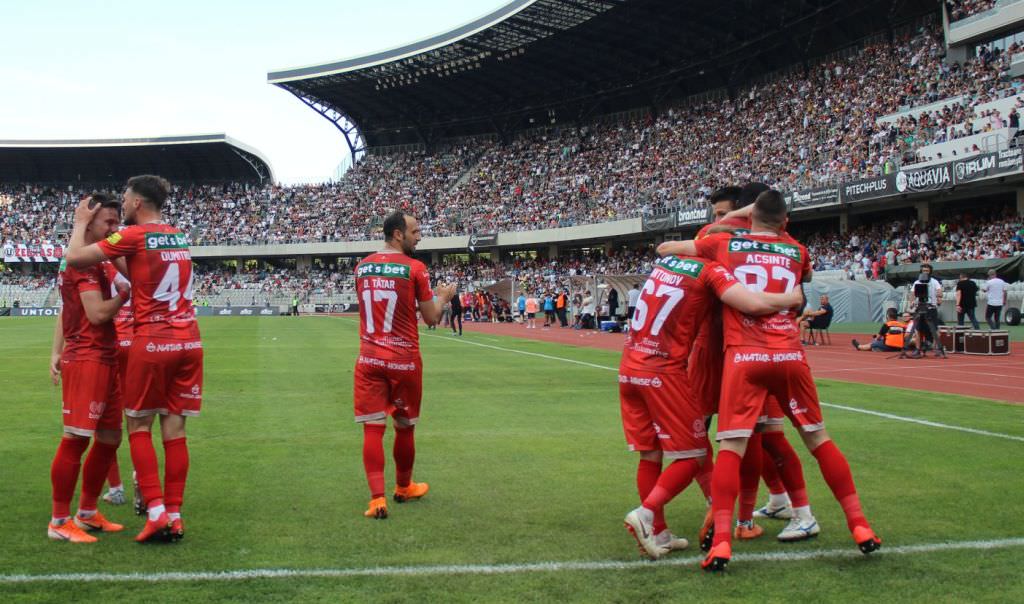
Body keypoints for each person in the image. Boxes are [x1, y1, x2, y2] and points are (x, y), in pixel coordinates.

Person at [658, 190, 880, 572]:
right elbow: (803, 275)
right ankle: (859, 525)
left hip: (744, 355)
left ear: (749, 215)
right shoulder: (798, 250)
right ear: (785, 221)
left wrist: (735, 219)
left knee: (731, 446)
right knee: (818, 439)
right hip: (791, 354)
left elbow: (667, 248)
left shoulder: (723, 242)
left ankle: (725, 541)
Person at [621, 252, 804, 560]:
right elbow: (754, 304)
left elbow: (665, 246)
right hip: (664, 371)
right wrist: (793, 296)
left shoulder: (669, 261)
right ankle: (646, 514)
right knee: (694, 454)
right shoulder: (711, 270)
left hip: (629, 367)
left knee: (650, 453)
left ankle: (660, 533)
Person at [66, 175, 204, 543]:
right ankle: (175, 515)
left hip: (154, 340)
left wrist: (81, 224)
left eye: (125, 199)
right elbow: (138, 274)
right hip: (190, 341)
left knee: (138, 426)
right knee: (175, 433)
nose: (123, 205)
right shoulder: (178, 236)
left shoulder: (133, 236)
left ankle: (156, 511)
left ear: (139, 203)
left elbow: (75, 258)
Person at [353, 210, 455, 520]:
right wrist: (444, 297)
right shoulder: (415, 268)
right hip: (404, 359)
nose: (419, 236)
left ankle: (377, 500)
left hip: (369, 358)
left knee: (373, 428)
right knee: (404, 427)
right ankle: (403, 487)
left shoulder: (361, 267)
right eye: (415, 231)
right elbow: (431, 317)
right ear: (398, 234)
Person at [46, 194, 130, 543]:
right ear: (90, 221)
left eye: (117, 222)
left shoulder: (99, 258)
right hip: (87, 357)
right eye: (108, 223)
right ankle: (59, 521)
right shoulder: (83, 262)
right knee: (76, 438)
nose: (115, 229)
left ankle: (87, 511)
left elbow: (68, 311)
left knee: (110, 438)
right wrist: (123, 297)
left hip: (106, 356)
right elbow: (95, 314)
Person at [100, 262, 135, 509]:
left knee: (105, 424)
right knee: (138, 422)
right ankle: (142, 482)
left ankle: (116, 488)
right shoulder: (140, 263)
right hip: (139, 344)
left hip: (112, 344)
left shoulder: (101, 265)